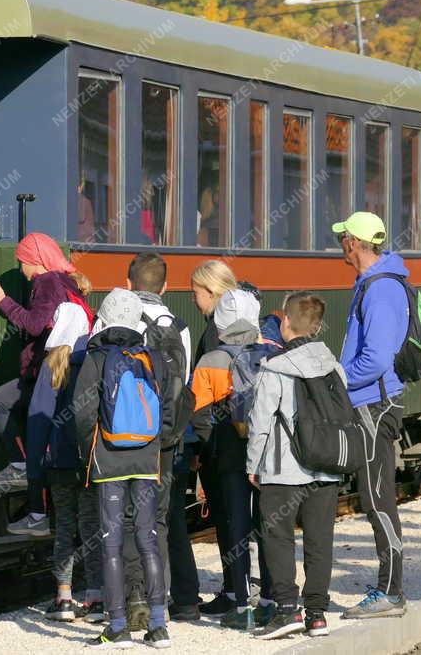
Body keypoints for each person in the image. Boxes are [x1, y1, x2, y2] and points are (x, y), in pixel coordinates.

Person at [74, 289, 171, 649]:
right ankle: (159, 625)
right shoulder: (154, 357)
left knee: (111, 544)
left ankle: (117, 625)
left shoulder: (95, 358)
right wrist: (154, 445)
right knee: (147, 538)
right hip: (147, 459)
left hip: (109, 459)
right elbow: (170, 407)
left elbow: (83, 414)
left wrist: (91, 451)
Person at [247, 291, 341, 640]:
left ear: (285, 322)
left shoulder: (274, 367)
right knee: (320, 541)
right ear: (317, 327)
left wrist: (252, 463)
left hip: (282, 469)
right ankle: (317, 614)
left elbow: (260, 421)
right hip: (325, 468)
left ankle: (286, 608)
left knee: (278, 537)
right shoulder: (335, 367)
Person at [0, 233, 91, 536]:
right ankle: (25, 476)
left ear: (36, 261)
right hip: (55, 371)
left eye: (22, 262)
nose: (21, 269)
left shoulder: (47, 283)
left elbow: (34, 323)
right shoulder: (63, 281)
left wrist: (3, 303)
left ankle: (25, 480)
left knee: (4, 406)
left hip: (48, 372)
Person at [331, 211, 408, 619]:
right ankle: (389, 589)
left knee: (378, 500)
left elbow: (377, 357)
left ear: (354, 244)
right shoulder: (375, 283)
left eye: (343, 237)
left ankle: (391, 593)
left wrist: (339, 381)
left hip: (375, 406)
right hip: (373, 403)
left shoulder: (378, 290)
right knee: (374, 498)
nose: (339, 243)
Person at [121, 252, 200, 627]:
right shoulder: (179, 326)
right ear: (166, 287)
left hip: (126, 435)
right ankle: (160, 597)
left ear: (128, 281)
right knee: (160, 518)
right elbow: (183, 385)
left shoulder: (118, 317)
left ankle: (129, 596)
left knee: (126, 514)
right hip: (166, 436)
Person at [191, 289, 274, 630]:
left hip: (228, 452)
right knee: (269, 522)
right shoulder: (272, 355)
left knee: (236, 524)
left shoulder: (211, 360)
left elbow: (198, 418)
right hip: (267, 451)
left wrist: (207, 451)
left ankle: (240, 601)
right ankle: (271, 596)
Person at [28, 297, 92, 621]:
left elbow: (39, 416)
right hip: (89, 459)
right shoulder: (91, 357)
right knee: (93, 525)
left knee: (65, 527)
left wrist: (34, 468)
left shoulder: (52, 363)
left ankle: (64, 597)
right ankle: (95, 596)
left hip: (60, 463)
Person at [188, 260, 239, 615]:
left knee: (226, 515)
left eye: (195, 292)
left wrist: (202, 445)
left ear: (210, 291)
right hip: (237, 435)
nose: (193, 299)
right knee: (239, 516)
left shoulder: (213, 333)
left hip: (219, 439)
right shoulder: (239, 326)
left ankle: (234, 590)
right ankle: (241, 586)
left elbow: (204, 397)